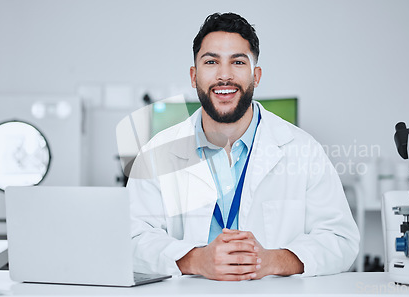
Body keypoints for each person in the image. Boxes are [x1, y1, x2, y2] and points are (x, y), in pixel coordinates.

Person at [128, 12, 359, 281]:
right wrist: (195, 259)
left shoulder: (302, 149)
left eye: (238, 62)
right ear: (194, 76)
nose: (224, 75)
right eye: (211, 61)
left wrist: (273, 260)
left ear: (256, 76)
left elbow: (341, 240)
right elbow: (131, 237)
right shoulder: (157, 153)